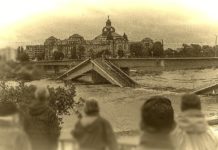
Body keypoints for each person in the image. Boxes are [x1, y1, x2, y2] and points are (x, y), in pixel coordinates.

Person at [25, 86, 60, 150]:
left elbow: (25, 130)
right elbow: (55, 133)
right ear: (47, 97)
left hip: (33, 146)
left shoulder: (29, 111)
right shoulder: (50, 112)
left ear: (36, 96)